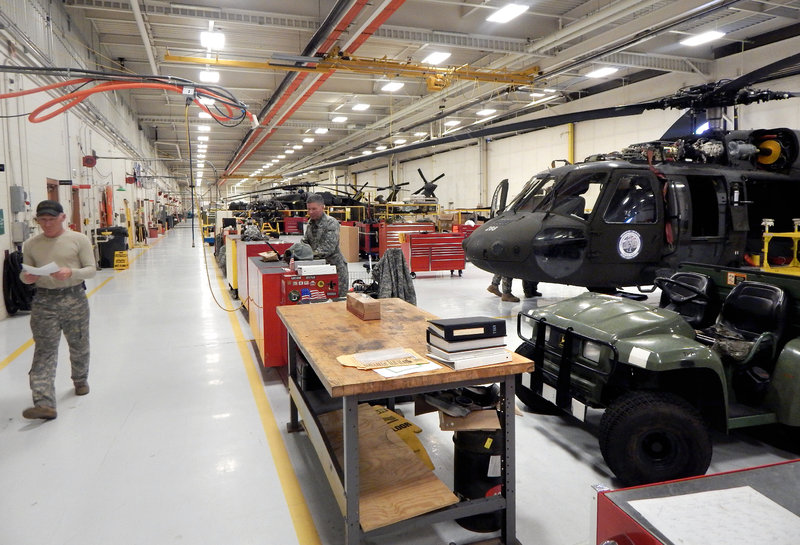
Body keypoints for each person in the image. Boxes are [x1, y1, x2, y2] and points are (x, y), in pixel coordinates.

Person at [19, 200, 97, 420]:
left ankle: (80, 379)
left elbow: (91, 269)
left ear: (62, 218)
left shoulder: (78, 240)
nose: (47, 224)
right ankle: (44, 402)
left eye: (51, 219)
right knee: (44, 350)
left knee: (79, 343)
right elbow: (24, 273)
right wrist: (27, 277)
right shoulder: (31, 244)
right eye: (42, 220)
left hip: (74, 298)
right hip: (44, 301)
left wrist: (71, 272)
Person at [301, 193, 349, 297]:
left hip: (335, 270)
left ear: (322, 207)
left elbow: (328, 248)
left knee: (338, 300)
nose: (310, 212)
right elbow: (305, 242)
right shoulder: (310, 224)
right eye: (308, 209)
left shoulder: (331, 223)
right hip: (318, 268)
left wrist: (306, 256)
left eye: (314, 209)